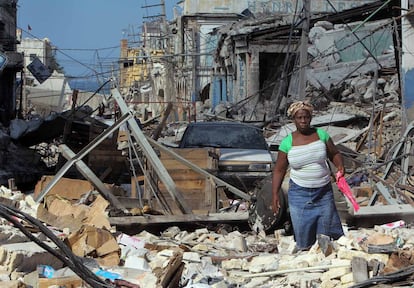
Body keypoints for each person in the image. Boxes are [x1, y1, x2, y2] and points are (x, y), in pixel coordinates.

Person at [272, 101, 345, 251]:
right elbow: (279, 170)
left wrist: (340, 165)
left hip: (323, 193)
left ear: (311, 118)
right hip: (299, 194)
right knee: (304, 235)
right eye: (299, 118)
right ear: (294, 119)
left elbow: (334, 153)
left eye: (306, 117)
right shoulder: (287, 142)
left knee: (327, 234)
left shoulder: (321, 135)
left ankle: (327, 261)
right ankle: (307, 259)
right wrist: (275, 194)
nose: (303, 121)